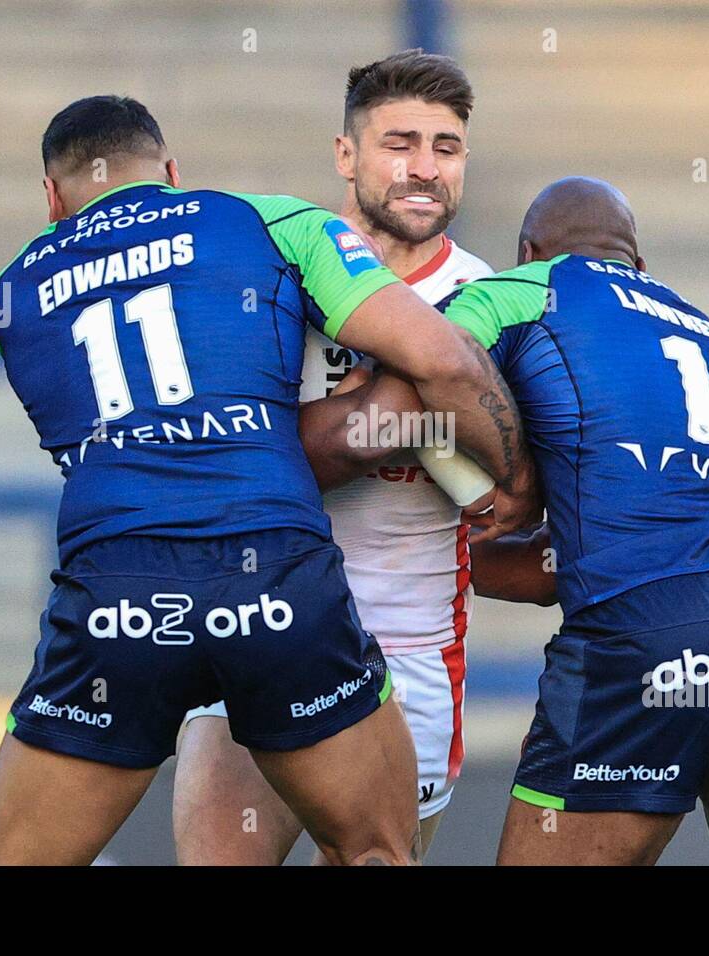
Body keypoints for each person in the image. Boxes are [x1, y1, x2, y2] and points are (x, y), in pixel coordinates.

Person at [0, 95, 532, 865]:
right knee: (375, 851)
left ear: (51, 201)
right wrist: (507, 477)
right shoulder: (265, 221)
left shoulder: (9, 293)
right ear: (172, 174)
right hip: (273, 573)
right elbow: (441, 362)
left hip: (120, 585)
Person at [174, 49, 498, 865]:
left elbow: (508, 496)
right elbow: (249, 456)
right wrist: (414, 415)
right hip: (262, 625)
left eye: (446, 147)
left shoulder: (489, 299)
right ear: (346, 156)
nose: (425, 168)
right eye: (400, 143)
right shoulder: (275, 277)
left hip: (410, 649)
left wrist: (379, 425)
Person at [442, 176, 709, 864]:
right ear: (639, 265)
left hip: (644, 632)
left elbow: (430, 357)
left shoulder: (525, 289)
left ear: (528, 251)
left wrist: (508, 480)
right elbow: (643, 533)